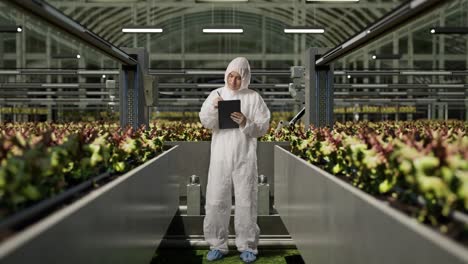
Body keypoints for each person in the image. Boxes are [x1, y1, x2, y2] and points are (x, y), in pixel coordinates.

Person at [199, 57, 271, 263]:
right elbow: (205, 121)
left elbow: (263, 127)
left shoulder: (254, 98)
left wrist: (246, 122)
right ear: (226, 75)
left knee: (246, 201)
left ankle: (247, 246)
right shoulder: (217, 94)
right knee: (215, 200)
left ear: (246, 78)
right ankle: (217, 244)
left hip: (244, 158)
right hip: (220, 157)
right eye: (231, 76)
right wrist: (214, 108)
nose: (233, 81)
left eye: (239, 77)